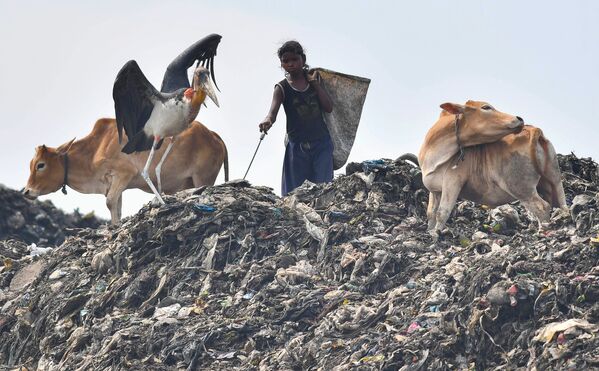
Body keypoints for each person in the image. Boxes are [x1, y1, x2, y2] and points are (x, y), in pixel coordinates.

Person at [259, 40, 334, 196]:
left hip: (321, 144)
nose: (290, 64)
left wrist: (315, 84)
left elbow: (328, 107)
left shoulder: (315, 81)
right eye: (286, 61)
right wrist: (267, 120)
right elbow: (272, 113)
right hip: (297, 148)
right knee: (294, 194)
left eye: (294, 59)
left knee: (324, 191)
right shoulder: (281, 88)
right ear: (282, 64)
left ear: (303, 60)